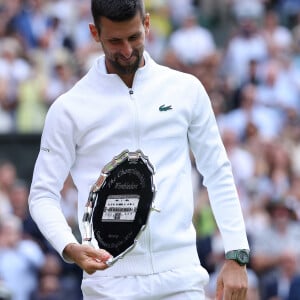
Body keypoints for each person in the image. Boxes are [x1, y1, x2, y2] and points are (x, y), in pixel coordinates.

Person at [28, 1, 250, 299]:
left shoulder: (186, 89)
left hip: (182, 279)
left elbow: (218, 171)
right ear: (95, 33)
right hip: (108, 283)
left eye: (134, 38)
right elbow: (42, 194)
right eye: (115, 41)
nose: (127, 50)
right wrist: (69, 246)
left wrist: (237, 254)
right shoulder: (68, 108)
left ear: (147, 24)